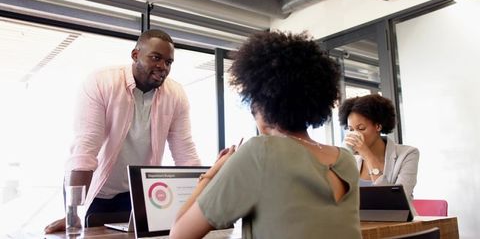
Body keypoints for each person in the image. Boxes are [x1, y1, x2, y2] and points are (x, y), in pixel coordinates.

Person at [169, 31, 361, 239]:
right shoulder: (346, 159)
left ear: (261, 103)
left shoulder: (260, 151)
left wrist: (214, 173)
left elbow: (179, 234)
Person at [44, 29, 201, 233]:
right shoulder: (101, 82)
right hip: (96, 189)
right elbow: (85, 150)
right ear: (135, 55)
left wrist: (203, 206)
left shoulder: (176, 94)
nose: (162, 67)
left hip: (136, 193)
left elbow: (186, 153)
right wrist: (72, 214)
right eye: (156, 58)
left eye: (168, 62)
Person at [338, 94, 419, 200]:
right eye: (351, 129)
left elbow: (397, 201)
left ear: (378, 126)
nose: (355, 134)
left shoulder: (408, 154)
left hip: (394, 216)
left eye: (361, 128)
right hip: (356, 217)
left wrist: (367, 154)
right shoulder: (351, 157)